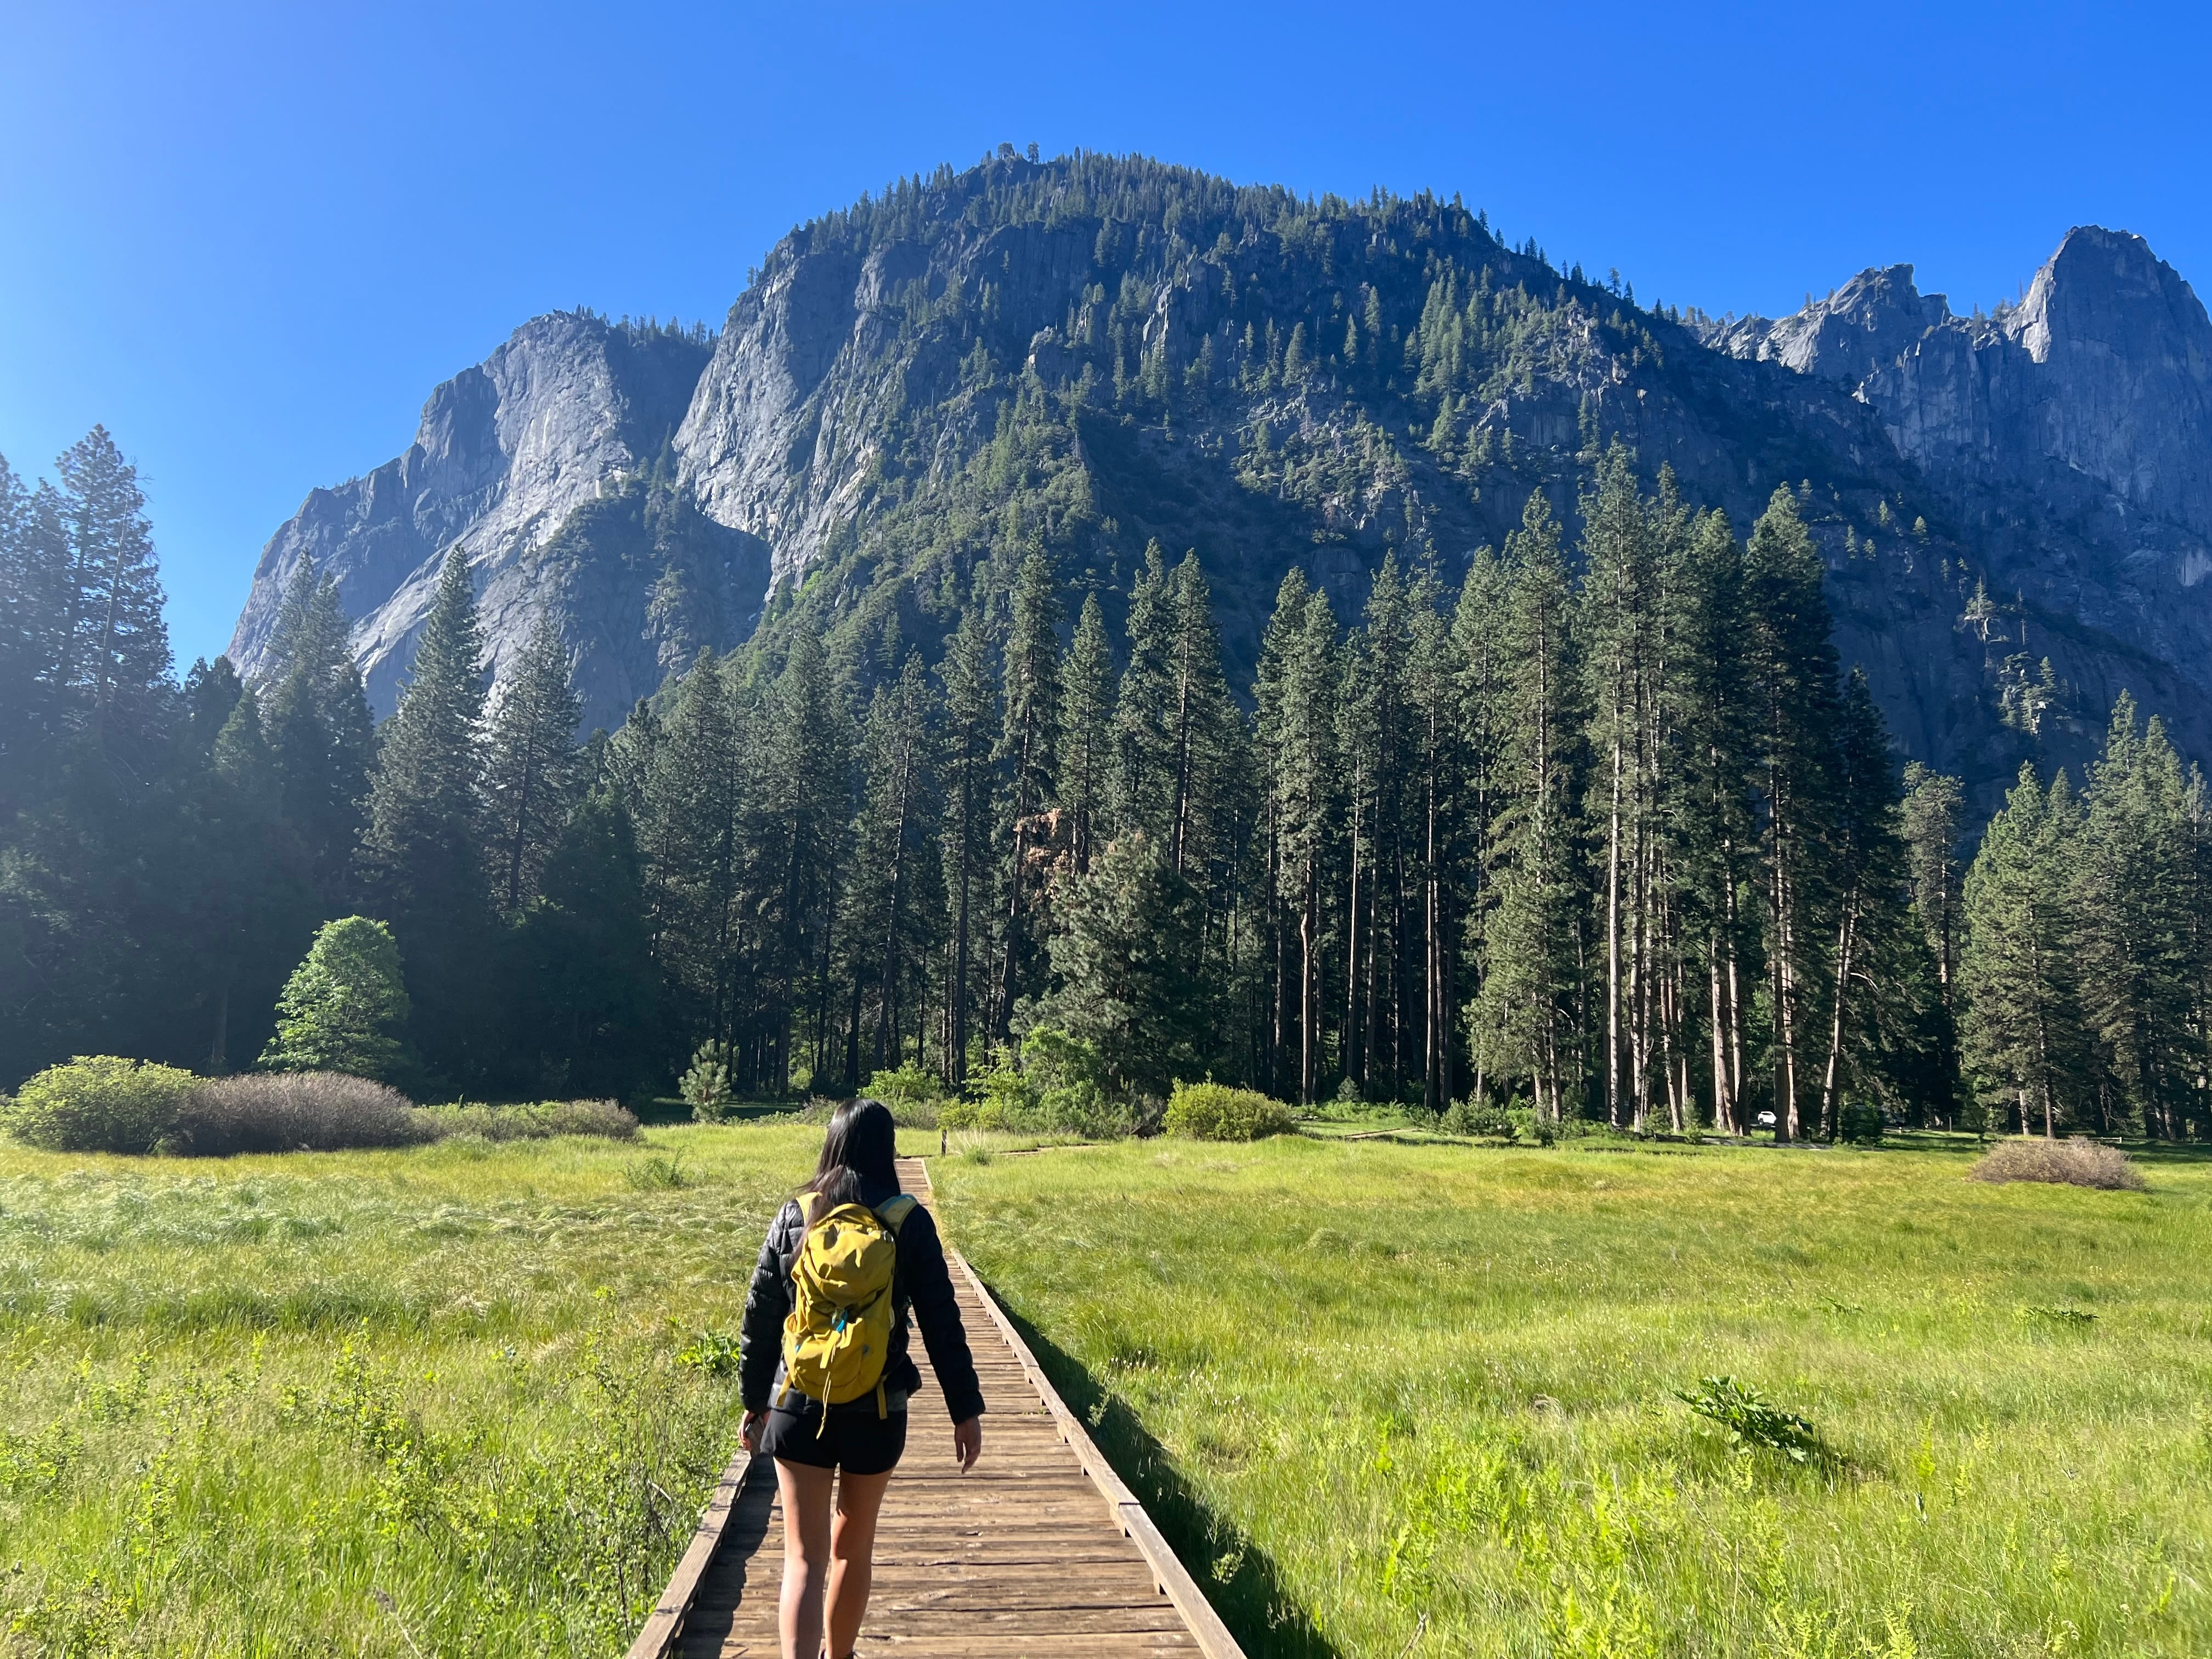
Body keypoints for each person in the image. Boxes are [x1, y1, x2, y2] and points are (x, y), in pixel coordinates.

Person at [739, 1098, 985, 1659]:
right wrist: (964, 1409)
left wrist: (755, 1402)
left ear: (832, 1144)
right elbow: (943, 1321)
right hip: (878, 1412)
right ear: (887, 1149)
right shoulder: (908, 1221)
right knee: (853, 1551)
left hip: (798, 1407)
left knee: (803, 1557)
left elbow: (759, 1315)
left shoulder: (796, 1215)